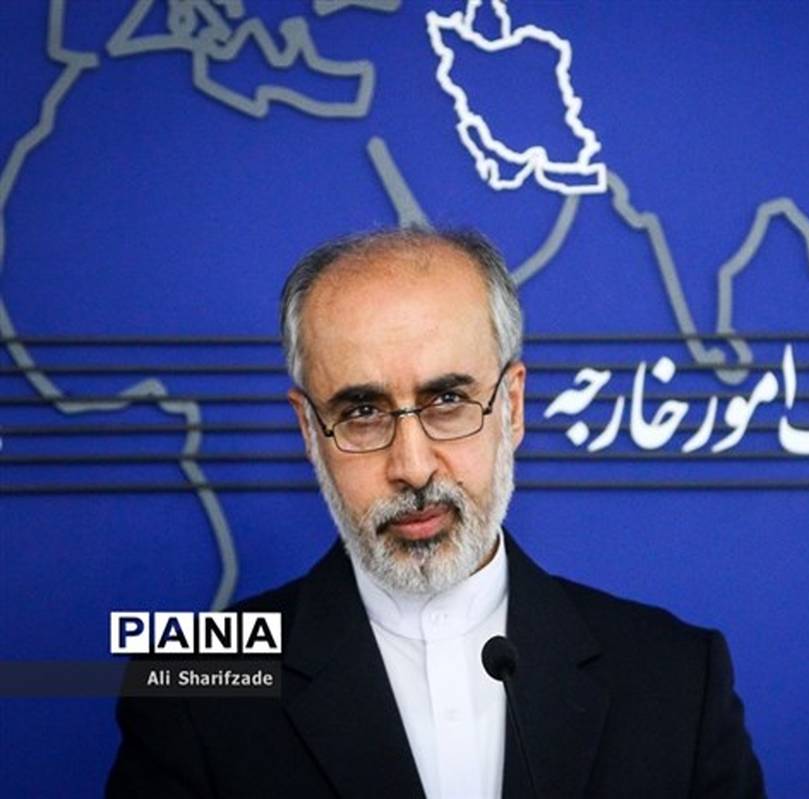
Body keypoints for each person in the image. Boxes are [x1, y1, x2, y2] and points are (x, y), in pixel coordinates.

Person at [107, 227, 764, 798]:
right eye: (362, 412)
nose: (413, 466)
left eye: (447, 401)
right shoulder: (192, 685)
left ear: (511, 408)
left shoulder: (678, 678)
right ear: (309, 430)